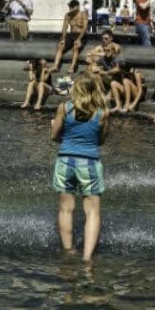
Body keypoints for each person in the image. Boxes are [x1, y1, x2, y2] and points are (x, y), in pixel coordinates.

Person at [50, 72, 110, 263]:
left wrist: (59, 130)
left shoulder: (65, 108)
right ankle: (87, 258)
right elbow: (101, 140)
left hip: (66, 160)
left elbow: (53, 136)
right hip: (89, 162)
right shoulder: (102, 113)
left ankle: (69, 251)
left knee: (66, 209)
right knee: (92, 212)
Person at [53, 0, 88, 74]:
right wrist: (63, 39)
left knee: (76, 47)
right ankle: (55, 66)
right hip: (71, 35)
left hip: (81, 35)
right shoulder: (68, 15)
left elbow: (85, 28)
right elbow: (64, 28)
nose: (70, 8)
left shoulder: (83, 14)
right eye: (70, 6)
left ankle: (72, 67)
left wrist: (79, 39)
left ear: (78, 6)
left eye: (72, 6)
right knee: (60, 46)